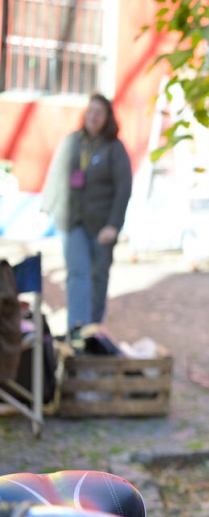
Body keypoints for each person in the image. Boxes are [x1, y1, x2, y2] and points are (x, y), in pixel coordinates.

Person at [41, 94, 132, 336]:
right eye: (90, 111)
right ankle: (77, 331)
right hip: (72, 220)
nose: (93, 116)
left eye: (98, 113)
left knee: (98, 276)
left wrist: (114, 224)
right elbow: (56, 173)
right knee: (77, 273)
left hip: (102, 224)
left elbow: (124, 188)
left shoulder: (114, 147)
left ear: (107, 118)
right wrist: (47, 207)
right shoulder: (72, 141)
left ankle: (93, 329)